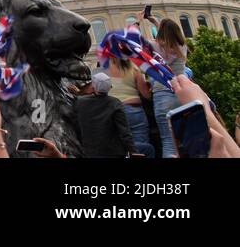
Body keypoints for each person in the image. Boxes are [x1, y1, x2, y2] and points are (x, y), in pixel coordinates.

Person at [141, 12, 188, 157]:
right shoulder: (182, 46)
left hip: (162, 95)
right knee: (185, 139)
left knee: (168, 141)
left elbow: (135, 41)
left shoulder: (155, 47)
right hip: (182, 94)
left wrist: (138, 21)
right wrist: (155, 21)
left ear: (160, 33)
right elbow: (169, 35)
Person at [73, 73, 137, 157]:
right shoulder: (115, 103)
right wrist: (134, 151)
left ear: (93, 87)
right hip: (113, 152)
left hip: (90, 152)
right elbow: (124, 132)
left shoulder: (80, 102)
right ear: (110, 87)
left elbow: (77, 126)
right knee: (149, 148)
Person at [107, 56, 155, 157]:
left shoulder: (104, 69)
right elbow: (146, 95)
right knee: (141, 148)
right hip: (134, 110)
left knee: (119, 146)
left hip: (113, 112)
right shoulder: (134, 68)